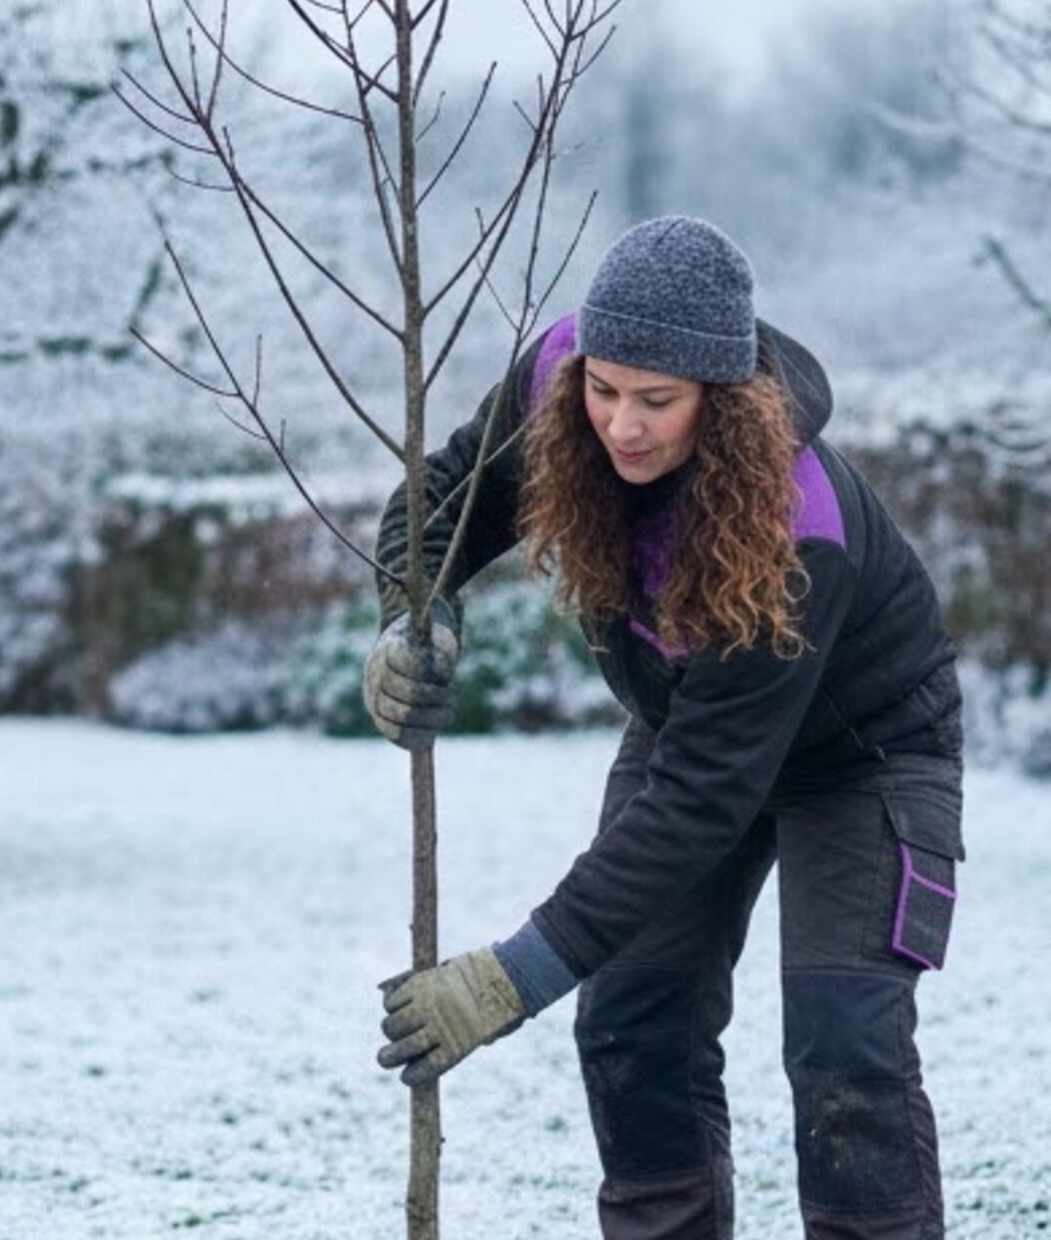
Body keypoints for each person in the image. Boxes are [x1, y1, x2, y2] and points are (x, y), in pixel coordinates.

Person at [363, 215, 968, 1240]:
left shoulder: (795, 528)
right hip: (691, 723)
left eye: (658, 401)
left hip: (862, 760)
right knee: (635, 1017)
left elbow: (699, 803)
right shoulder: (558, 378)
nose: (622, 424)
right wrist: (411, 619)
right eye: (605, 389)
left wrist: (509, 979)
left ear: (721, 402)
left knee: (843, 1049)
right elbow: (443, 500)